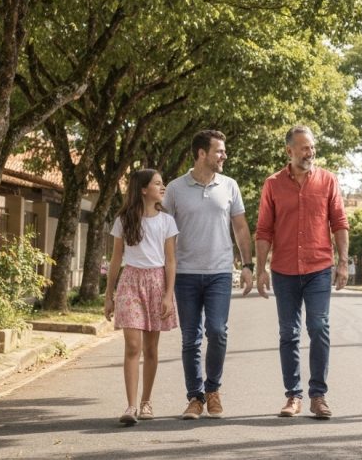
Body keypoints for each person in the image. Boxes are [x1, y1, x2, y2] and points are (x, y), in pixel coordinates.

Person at [256, 125, 349, 419]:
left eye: (312, 147)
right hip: (283, 269)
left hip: (319, 267)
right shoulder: (272, 185)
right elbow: (263, 229)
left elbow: (339, 222)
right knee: (288, 333)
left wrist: (343, 262)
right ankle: (293, 396)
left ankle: (318, 396)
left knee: (319, 327)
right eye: (304, 148)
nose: (310, 152)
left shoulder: (328, 181)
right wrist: (260, 269)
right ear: (289, 151)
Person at [162, 130, 254, 420]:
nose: (224, 155)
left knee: (217, 331)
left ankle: (212, 389)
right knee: (191, 338)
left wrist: (248, 265)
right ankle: (195, 397)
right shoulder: (175, 189)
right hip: (186, 274)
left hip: (219, 273)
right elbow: (164, 232)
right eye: (219, 151)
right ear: (202, 153)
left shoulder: (230, 186)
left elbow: (240, 227)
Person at [104, 169, 179, 425]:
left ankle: (147, 401)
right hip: (130, 283)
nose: (163, 187)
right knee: (133, 346)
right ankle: (131, 406)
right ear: (143, 189)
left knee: (151, 348)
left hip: (157, 282)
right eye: (158, 183)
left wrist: (169, 294)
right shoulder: (124, 220)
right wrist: (108, 295)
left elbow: (170, 260)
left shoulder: (167, 221)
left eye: (163, 183)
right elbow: (115, 260)